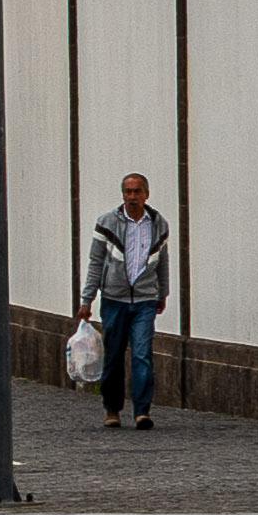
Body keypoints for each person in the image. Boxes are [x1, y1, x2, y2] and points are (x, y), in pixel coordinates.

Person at [84, 174, 170, 429]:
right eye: (128, 192)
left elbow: (162, 262)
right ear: (122, 194)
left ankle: (142, 411)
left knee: (142, 354)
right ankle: (112, 409)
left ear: (146, 194)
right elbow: (96, 262)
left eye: (137, 191)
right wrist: (87, 299)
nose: (132, 196)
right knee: (113, 356)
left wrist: (162, 293)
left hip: (144, 299)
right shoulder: (107, 223)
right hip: (114, 299)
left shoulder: (158, 224)